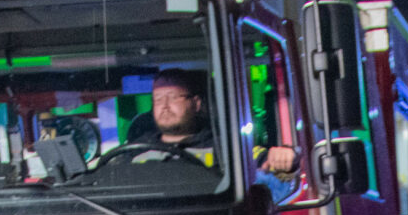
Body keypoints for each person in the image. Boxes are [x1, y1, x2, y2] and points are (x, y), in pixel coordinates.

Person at [123, 69, 296, 176]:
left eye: (173, 98)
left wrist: (285, 157)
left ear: (196, 103)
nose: (165, 106)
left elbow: (264, 159)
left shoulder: (224, 148)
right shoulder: (135, 150)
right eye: (158, 99)